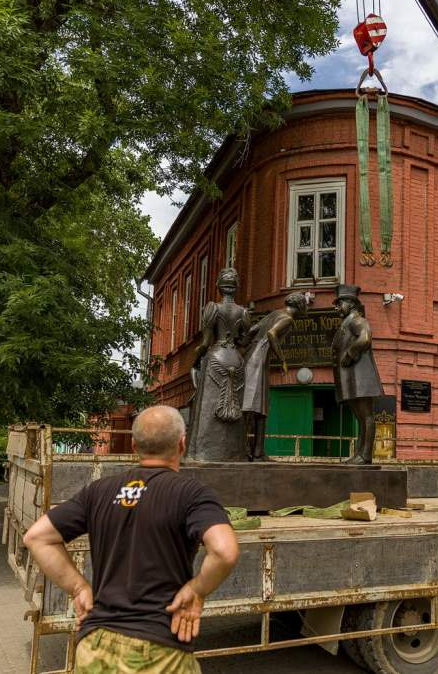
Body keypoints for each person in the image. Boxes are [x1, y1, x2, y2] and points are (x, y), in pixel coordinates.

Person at [23, 405, 239, 672]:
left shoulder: (98, 491)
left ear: (134, 444)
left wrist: (79, 588)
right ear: (182, 444)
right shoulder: (192, 494)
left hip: (94, 645)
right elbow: (224, 551)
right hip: (158, 651)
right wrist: (197, 589)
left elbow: (37, 537)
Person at [188, 267, 251, 461]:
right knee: (235, 405)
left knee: (207, 407)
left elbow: (206, 342)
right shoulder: (244, 312)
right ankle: (235, 453)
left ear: (218, 286)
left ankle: (202, 453)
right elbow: (244, 341)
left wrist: (195, 359)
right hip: (236, 360)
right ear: (236, 286)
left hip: (215, 356)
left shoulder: (212, 308)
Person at [241, 292, 311, 461]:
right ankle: (255, 452)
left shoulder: (274, 313)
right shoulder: (288, 318)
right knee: (258, 408)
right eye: (305, 305)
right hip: (259, 360)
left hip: (250, 356)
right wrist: (282, 359)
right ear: (300, 305)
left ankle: (252, 450)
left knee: (251, 406)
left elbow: (252, 330)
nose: (306, 309)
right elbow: (272, 334)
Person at [332, 284, 384, 464]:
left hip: (362, 377)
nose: (336, 307)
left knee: (365, 415)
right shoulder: (346, 323)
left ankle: (366, 455)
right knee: (360, 417)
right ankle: (360, 454)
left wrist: (350, 353)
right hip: (353, 378)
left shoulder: (356, 320)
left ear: (351, 303)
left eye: (340, 303)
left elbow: (365, 337)